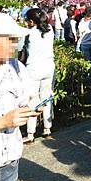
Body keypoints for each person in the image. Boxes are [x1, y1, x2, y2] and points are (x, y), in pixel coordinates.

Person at [0, 12, 40, 181]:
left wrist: (33, 107)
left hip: (10, 165)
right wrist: (3, 122)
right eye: (11, 39)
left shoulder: (15, 67)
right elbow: (7, 120)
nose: (16, 44)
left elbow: (27, 99)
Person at [22, 8, 55, 143]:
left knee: (32, 100)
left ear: (31, 21)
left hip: (33, 69)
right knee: (46, 98)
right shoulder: (50, 31)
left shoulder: (28, 33)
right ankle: (47, 128)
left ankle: (30, 133)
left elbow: (21, 51)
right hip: (49, 67)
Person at [77, 8, 91, 83]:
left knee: (87, 62)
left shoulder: (82, 21)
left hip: (84, 43)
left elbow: (79, 33)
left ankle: (89, 78)